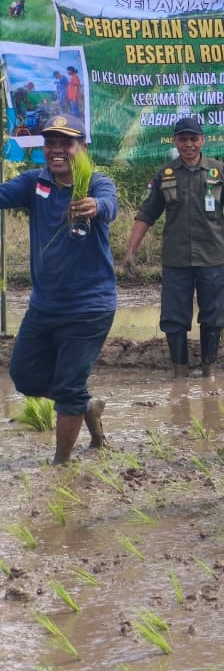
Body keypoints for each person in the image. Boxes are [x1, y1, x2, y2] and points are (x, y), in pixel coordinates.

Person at [0, 115, 116, 463]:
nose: (57, 150)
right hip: (45, 306)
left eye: (66, 143)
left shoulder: (97, 184)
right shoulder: (34, 183)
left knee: (67, 388)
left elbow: (110, 205)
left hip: (89, 306)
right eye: (51, 143)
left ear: (83, 148)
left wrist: (95, 207)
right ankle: (85, 404)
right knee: (23, 375)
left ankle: (61, 465)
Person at [122, 117, 224, 377]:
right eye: (183, 139)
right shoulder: (165, 174)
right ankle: (180, 372)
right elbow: (146, 214)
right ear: (175, 141)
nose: (188, 144)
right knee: (174, 318)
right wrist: (131, 249)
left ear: (202, 140)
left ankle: (210, 370)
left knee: (214, 316)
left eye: (193, 139)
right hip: (176, 260)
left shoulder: (219, 171)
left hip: (213, 257)